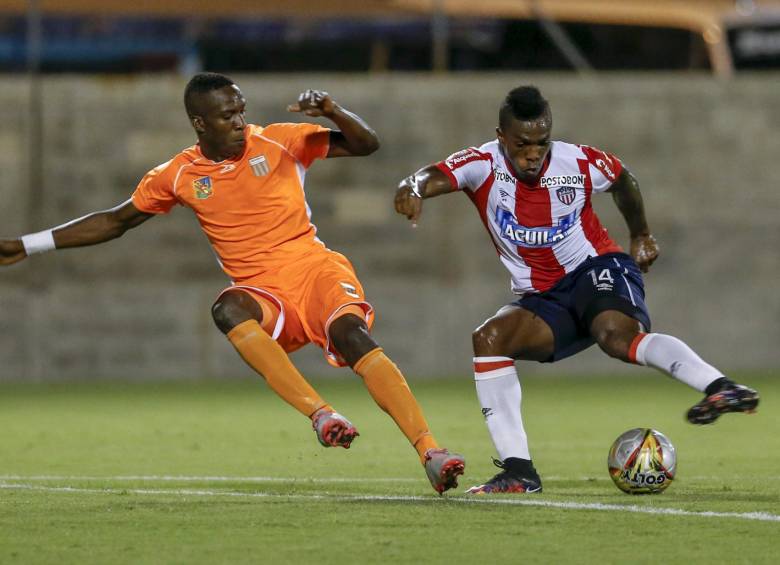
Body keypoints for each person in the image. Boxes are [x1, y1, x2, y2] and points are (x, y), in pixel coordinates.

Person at [0, 72, 465, 494]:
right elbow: (115, 221)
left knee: (352, 336)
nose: (241, 121)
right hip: (262, 292)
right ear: (200, 124)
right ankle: (322, 415)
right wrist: (27, 244)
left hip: (315, 271)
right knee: (227, 309)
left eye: (241, 110)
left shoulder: (281, 141)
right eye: (228, 115)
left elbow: (367, 144)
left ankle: (430, 451)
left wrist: (331, 110)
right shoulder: (178, 175)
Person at [394, 85, 759, 494]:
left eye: (541, 142)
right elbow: (432, 175)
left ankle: (721, 388)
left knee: (616, 338)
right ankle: (519, 472)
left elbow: (623, 180)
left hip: (596, 267)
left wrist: (640, 235)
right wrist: (411, 187)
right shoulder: (482, 163)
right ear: (501, 137)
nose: (533, 153)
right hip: (544, 299)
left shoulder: (577, 161)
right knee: (489, 339)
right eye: (522, 144)